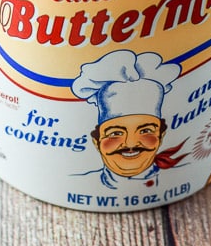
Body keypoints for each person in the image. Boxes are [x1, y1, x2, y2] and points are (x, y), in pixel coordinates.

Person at [72, 50, 187, 190]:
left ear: (161, 136)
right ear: (97, 141)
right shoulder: (74, 184)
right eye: (115, 133)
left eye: (145, 131)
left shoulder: (190, 172)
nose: (130, 143)